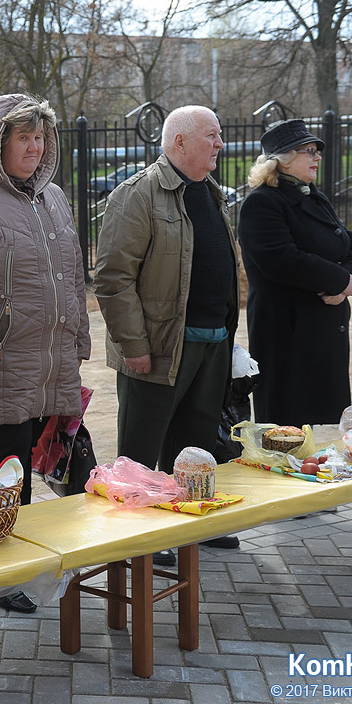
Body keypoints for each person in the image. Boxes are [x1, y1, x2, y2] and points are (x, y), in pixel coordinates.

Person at [0, 94, 90, 613]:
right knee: (8, 474)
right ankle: (2, 577)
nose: (34, 146)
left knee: (55, 460)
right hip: (2, 363)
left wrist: (80, 337)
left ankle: (45, 557)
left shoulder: (54, 198)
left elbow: (73, 273)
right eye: (22, 136)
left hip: (52, 358)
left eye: (39, 136)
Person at [93, 105, 240, 567]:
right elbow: (113, 278)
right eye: (211, 136)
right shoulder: (138, 194)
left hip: (212, 342)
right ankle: (138, 542)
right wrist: (135, 346)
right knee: (139, 452)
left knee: (195, 447)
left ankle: (190, 525)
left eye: (220, 136)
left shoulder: (210, 192)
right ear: (179, 142)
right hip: (158, 350)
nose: (220, 144)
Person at [238, 119, 352, 425]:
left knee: (326, 426)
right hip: (288, 333)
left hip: (324, 331)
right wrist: (340, 280)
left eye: (317, 150)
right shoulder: (262, 203)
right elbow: (282, 259)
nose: (317, 157)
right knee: (288, 429)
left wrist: (350, 281)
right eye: (309, 151)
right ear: (282, 159)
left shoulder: (311, 195)